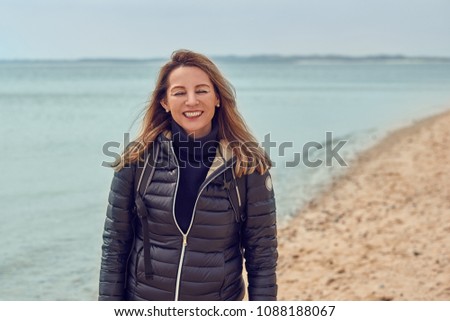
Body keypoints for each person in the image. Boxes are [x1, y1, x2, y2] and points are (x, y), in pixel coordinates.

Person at [98, 49, 278, 301]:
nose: (191, 101)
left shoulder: (247, 165)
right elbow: (115, 246)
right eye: (179, 92)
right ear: (165, 102)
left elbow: (262, 254)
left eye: (202, 90)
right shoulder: (137, 160)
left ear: (217, 98)